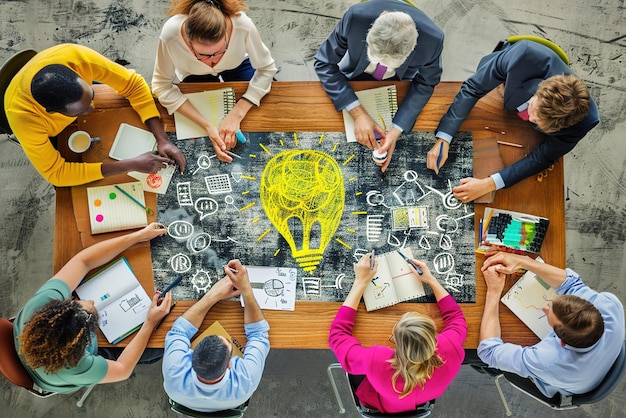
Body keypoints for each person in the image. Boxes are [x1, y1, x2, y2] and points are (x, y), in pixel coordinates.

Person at [428, 40, 599, 202]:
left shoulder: (585, 122)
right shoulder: (522, 56)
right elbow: (473, 88)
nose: (530, 118)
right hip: (507, 79)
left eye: (539, 122)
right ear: (540, 90)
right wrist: (445, 137)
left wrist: (489, 184)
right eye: (533, 109)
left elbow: (543, 158)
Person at [13, 222, 173, 393]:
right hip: (60, 373)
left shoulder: (40, 305)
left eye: (74, 302)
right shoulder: (79, 366)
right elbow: (123, 368)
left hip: (33, 348)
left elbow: (83, 261)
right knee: (157, 347)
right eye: (94, 317)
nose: (91, 301)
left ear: (57, 308)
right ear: (86, 341)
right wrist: (149, 322)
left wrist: (138, 236)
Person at [4, 43, 186, 187]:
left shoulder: (76, 56)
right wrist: (130, 165)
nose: (92, 110)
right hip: (49, 132)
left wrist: (162, 139)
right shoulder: (24, 119)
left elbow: (134, 85)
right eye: (80, 111)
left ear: (77, 73)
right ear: (52, 113)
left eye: (91, 96)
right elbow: (56, 173)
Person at [314, 0, 444, 172]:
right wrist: (357, 112)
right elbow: (323, 63)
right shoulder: (355, 17)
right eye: (377, 58)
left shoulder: (433, 40)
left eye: (390, 63)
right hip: (352, 78)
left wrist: (396, 130)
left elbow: (427, 82)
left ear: (414, 47)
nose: (383, 66)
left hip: (398, 84)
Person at [329, 253, 467, 414]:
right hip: (421, 398)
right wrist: (431, 280)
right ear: (433, 335)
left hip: (382, 403)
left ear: (395, 341)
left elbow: (337, 335)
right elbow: (457, 319)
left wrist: (360, 282)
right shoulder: (451, 348)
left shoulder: (377, 360)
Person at [476, 252, 624, 397]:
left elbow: (488, 352)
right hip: (598, 366)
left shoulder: (548, 360)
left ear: (562, 343)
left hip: (566, 381)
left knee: (471, 355)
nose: (544, 308)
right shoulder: (609, 307)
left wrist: (494, 292)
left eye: (549, 316)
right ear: (589, 305)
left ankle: (488, 371)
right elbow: (571, 283)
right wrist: (522, 261)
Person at [152, 0, 277, 163]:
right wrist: (208, 126)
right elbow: (160, 85)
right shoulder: (170, 34)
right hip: (193, 74)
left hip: (236, 66)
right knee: (199, 138)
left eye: (220, 52)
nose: (213, 62)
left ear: (227, 34)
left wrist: (237, 113)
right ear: (188, 42)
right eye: (202, 55)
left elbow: (267, 69)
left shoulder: (242, 24)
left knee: (267, 109)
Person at [162, 259, 269, 412]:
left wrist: (213, 295)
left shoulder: (174, 373)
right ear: (229, 365)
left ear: (192, 354)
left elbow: (180, 331)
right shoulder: (246, 381)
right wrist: (246, 290)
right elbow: (259, 334)